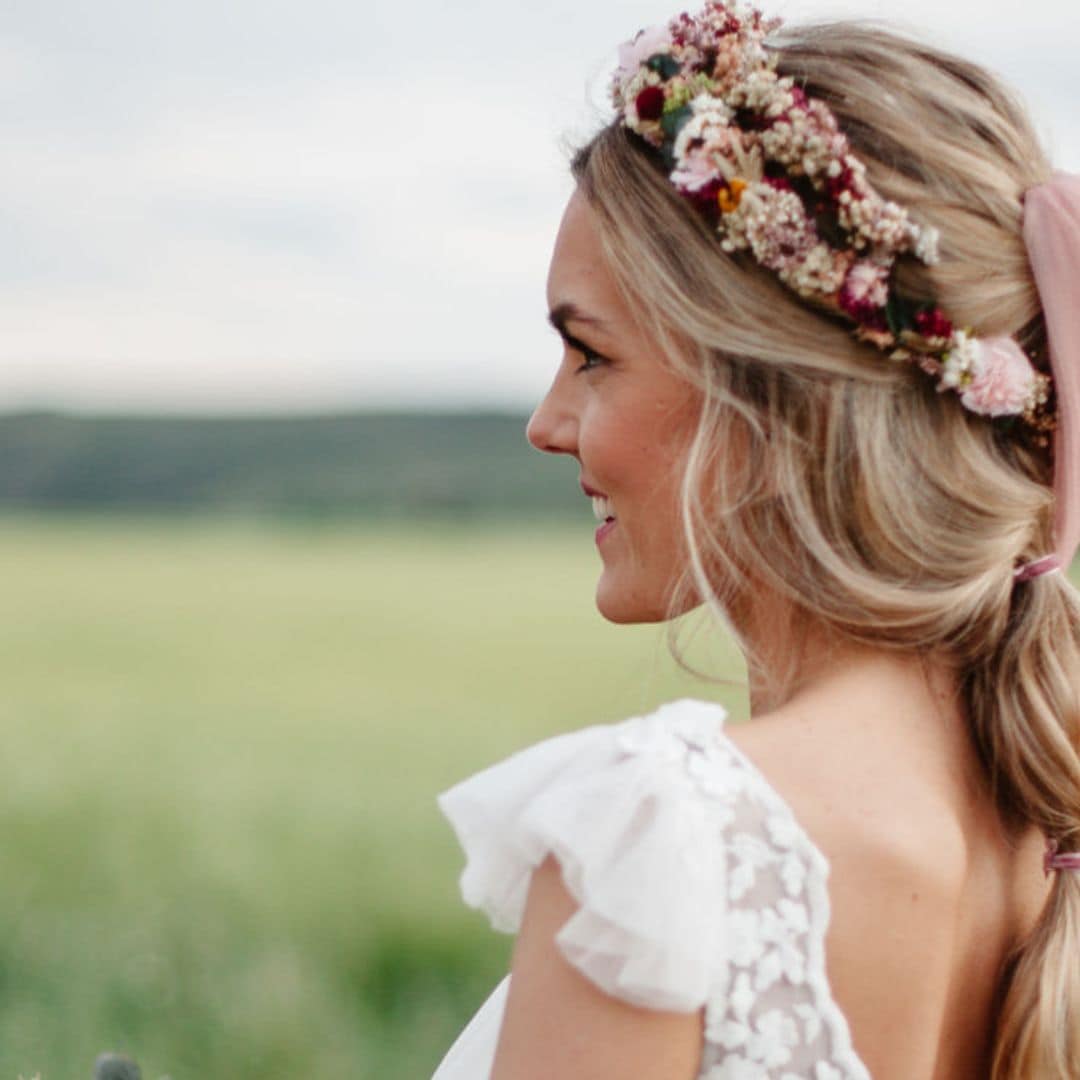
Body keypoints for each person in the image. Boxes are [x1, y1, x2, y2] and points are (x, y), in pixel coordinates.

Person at [432, 3, 1080, 1077]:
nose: (547, 426)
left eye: (590, 355)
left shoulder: (668, 834)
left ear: (770, 390)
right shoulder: (1038, 836)